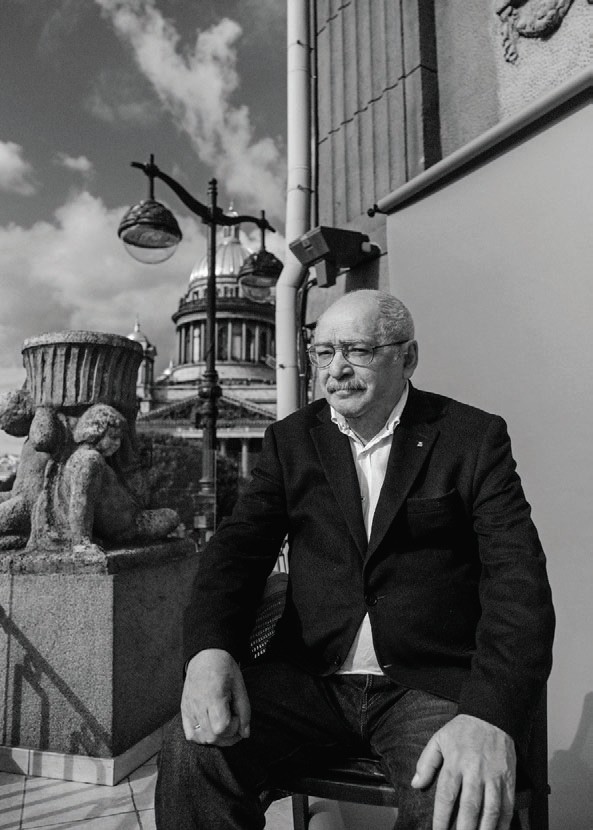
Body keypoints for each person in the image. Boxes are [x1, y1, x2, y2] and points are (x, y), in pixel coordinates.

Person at [155, 289, 554, 830]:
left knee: (456, 798)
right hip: (309, 681)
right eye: (323, 353)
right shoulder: (291, 440)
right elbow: (235, 555)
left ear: (407, 358)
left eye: (358, 351)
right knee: (193, 751)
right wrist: (208, 652)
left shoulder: (472, 438)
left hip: (427, 687)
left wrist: (490, 715)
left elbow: (518, 582)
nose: (336, 370)